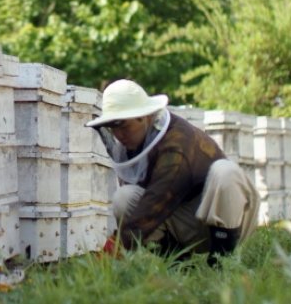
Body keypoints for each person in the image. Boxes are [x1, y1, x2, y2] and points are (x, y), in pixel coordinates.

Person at [86, 79, 259, 265]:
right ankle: (179, 263)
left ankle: (222, 262)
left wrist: (115, 246)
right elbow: (146, 206)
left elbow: (157, 199)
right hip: (185, 222)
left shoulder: (176, 142)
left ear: (143, 116)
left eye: (123, 126)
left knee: (225, 171)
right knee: (124, 198)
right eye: (113, 127)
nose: (119, 135)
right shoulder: (134, 146)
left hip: (231, 219)